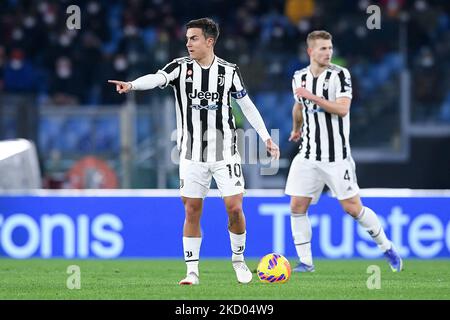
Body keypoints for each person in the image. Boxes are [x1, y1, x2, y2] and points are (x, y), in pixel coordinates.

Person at [109, 18, 280, 285]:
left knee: (234, 208)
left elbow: (247, 106)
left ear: (209, 41)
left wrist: (267, 137)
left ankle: (238, 261)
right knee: (192, 211)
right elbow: (157, 78)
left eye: (194, 38)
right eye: (187, 38)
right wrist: (132, 85)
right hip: (191, 155)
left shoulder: (229, 71)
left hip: (225, 154)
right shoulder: (180, 68)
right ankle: (192, 271)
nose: (188, 43)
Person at [285, 30, 403, 272]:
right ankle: (306, 262)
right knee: (297, 205)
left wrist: (312, 97)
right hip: (308, 154)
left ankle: (387, 247)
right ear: (310, 52)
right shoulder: (299, 77)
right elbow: (299, 106)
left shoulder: (340, 75)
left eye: (330, 48)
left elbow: (342, 109)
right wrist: (296, 128)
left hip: (336, 157)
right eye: (323, 49)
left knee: (352, 208)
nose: (328, 53)